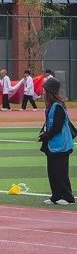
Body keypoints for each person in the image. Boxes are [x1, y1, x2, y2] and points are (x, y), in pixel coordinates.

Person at [38, 76, 76, 205]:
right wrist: (43, 131)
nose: (43, 93)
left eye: (44, 90)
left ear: (49, 92)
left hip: (61, 145)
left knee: (61, 172)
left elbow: (57, 127)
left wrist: (46, 135)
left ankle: (68, 197)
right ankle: (56, 195)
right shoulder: (52, 106)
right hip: (53, 145)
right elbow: (50, 123)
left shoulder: (58, 106)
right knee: (53, 172)